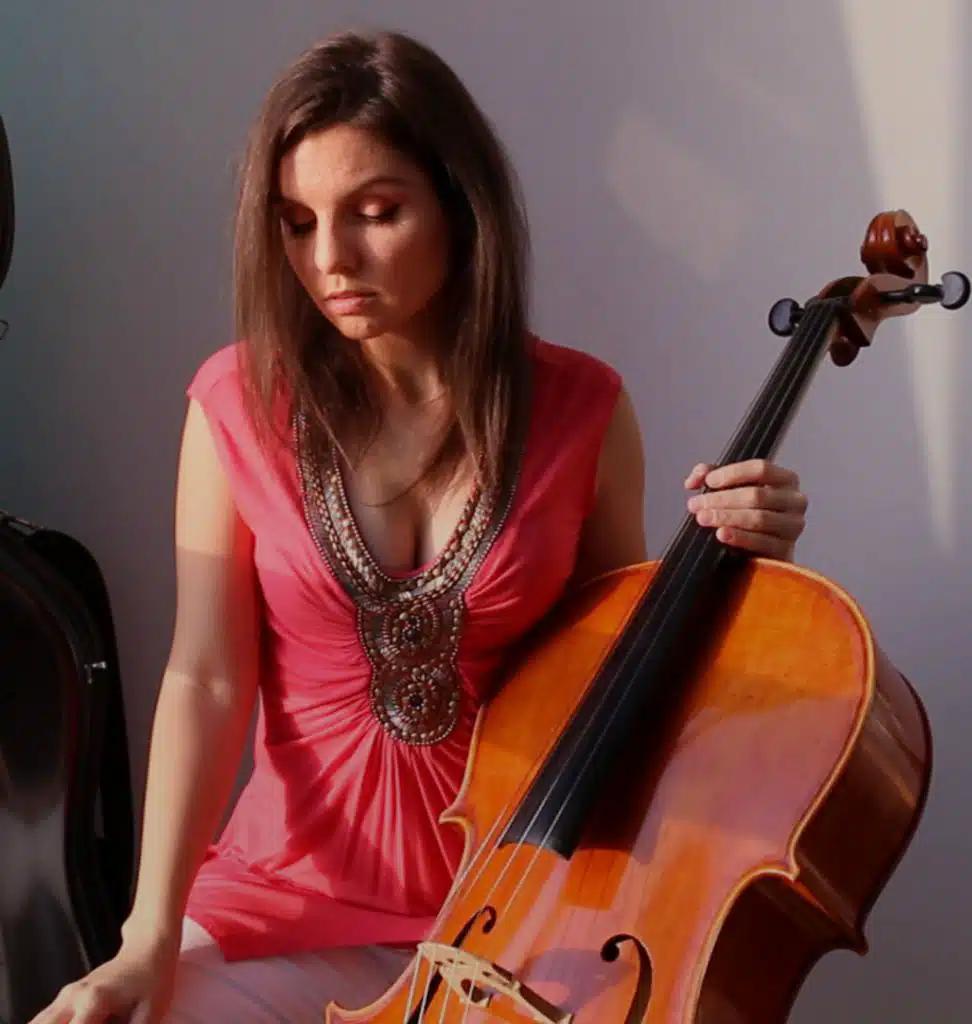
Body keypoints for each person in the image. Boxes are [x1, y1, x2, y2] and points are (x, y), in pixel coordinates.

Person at [30, 28, 807, 1024]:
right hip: (277, 902)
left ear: (458, 204)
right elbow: (207, 679)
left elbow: (615, 691)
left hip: (514, 914)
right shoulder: (237, 401)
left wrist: (739, 565)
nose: (330, 260)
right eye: (297, 223)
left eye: (376, 212)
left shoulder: (584, 411)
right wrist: (145, 936)